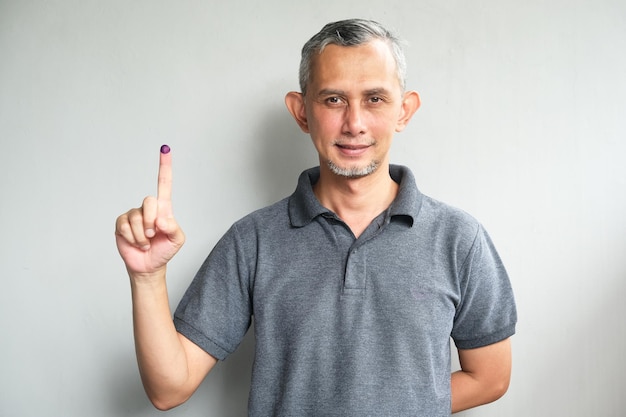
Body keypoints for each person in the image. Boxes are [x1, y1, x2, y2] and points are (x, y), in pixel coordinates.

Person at [115, 18, 517, 416]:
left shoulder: (459, 239)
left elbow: (490, 377)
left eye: (374, 98)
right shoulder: (252, 240)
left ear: (404, 110)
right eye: (333, 99)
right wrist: (147, 279)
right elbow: (169, 388)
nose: (354, 123)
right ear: (301, 111)